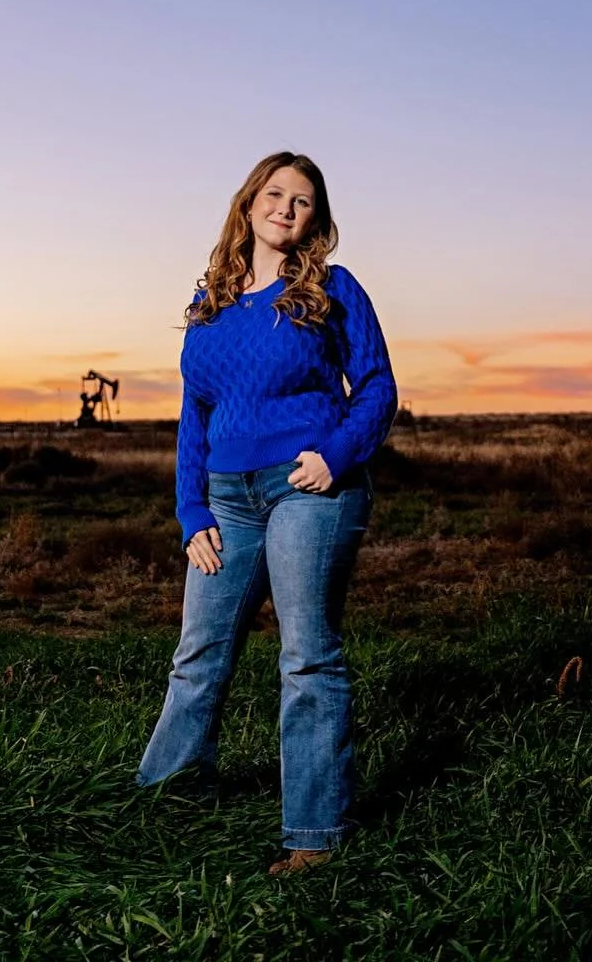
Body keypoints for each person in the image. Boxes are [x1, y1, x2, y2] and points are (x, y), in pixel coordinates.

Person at [135, 150, 398, 875]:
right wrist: (191, 512)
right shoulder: (210, 305)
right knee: (198, 653)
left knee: (307, 656)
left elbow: (377, 386)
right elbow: (196, 414)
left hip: (308, 489)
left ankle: (315, 839)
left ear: (317, 218)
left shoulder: (332, 288)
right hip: (227, 499)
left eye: (304, 200)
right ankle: (164, 799)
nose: (287, 207)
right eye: (275, 194)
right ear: (248, 205)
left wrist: (337, 456)